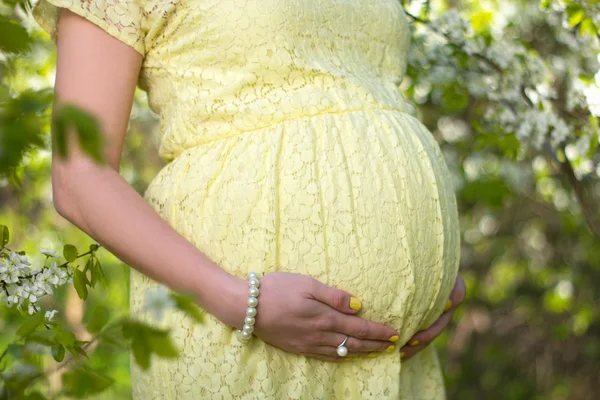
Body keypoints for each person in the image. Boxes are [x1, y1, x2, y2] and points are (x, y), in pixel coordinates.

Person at [31, 0, 465, 398]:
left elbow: (369, 91)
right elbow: (80, 177)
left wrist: (432, 263)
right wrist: (241, 303)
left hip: (398, 355)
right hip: (244, 328)